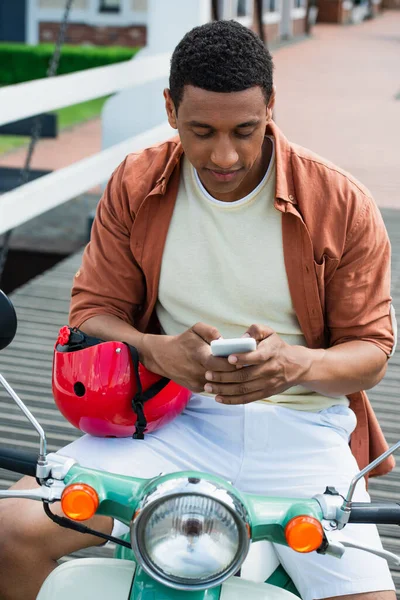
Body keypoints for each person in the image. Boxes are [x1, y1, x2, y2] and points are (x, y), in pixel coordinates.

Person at [0, 20, 397, 600]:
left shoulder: (340, 201)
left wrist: (296, 366)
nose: (225, 155)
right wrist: (155, 349)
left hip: (303, 431)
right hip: (169, 419)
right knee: (12, 530)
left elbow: (372, 354)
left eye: (245, 129)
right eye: (201, 131)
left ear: (271, 107)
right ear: (169, 108)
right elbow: (91, 312)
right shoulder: (136, 184)